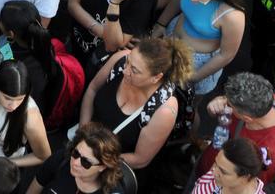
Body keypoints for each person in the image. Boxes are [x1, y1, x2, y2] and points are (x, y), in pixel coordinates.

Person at [79, 37, 193, 170]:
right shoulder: (121, 59)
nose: (125, 70)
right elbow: (92, 89)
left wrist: (97, 160)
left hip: (110, 166)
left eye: (134, 70)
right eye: (128, 62)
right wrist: (82, 133)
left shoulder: (163, 110)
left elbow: (140, 159)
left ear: (156, 77)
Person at [153, 0, 246, 95]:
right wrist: (161, 24)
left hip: (197, 62)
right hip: (171, 38)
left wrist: (194, 77)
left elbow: (226, 55)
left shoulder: (233, 16)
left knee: (184, 102)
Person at [196, 73, 275, 185]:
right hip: (205, 166)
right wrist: (219, 101)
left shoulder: (270, 155)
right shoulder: (265, 99)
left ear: (247, 118)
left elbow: (247, 187)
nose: (227, 106)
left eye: (229, 105)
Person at [28, 123, 127, 194]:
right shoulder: (61, 159)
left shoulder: (113, 191)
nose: (75, 162)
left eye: (86, 162)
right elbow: (36, 186)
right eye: (76, 153)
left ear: (102, 167)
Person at [191, 138, 268, 194]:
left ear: (245, 178)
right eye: (216, 163)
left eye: (223, 172)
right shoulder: (215, 178)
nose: (214, 172)